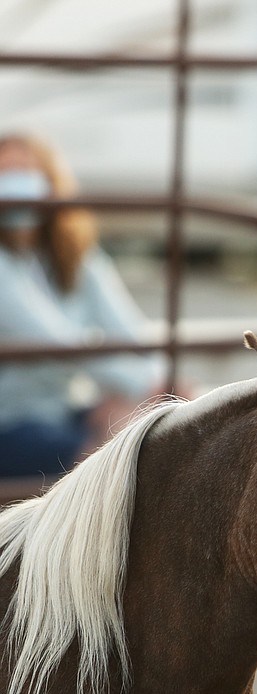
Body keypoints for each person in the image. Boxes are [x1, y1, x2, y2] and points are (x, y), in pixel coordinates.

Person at [0, 133, 162, 479]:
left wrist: (159, 379)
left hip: (57, 412)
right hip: (9, 423)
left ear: (50, 183)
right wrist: (147, 385)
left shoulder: (74, 255)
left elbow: (129, 328)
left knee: (131, 420)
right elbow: (56, 342)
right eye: (5, 174)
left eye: (26, 172)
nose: (16, 185)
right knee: (110, 457)